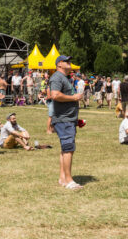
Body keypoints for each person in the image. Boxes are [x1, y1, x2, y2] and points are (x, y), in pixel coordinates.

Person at [49, 55, 84, 189]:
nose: (70, 63)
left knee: (66, 149)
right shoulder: (57, 77)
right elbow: (55, 95)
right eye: (66, 61)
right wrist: (73, 97)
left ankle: (63, 178)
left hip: (68, 119)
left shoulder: (65, 78)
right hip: (63, 119)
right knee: (68, 149)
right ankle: (69, 181)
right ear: (59, 65)